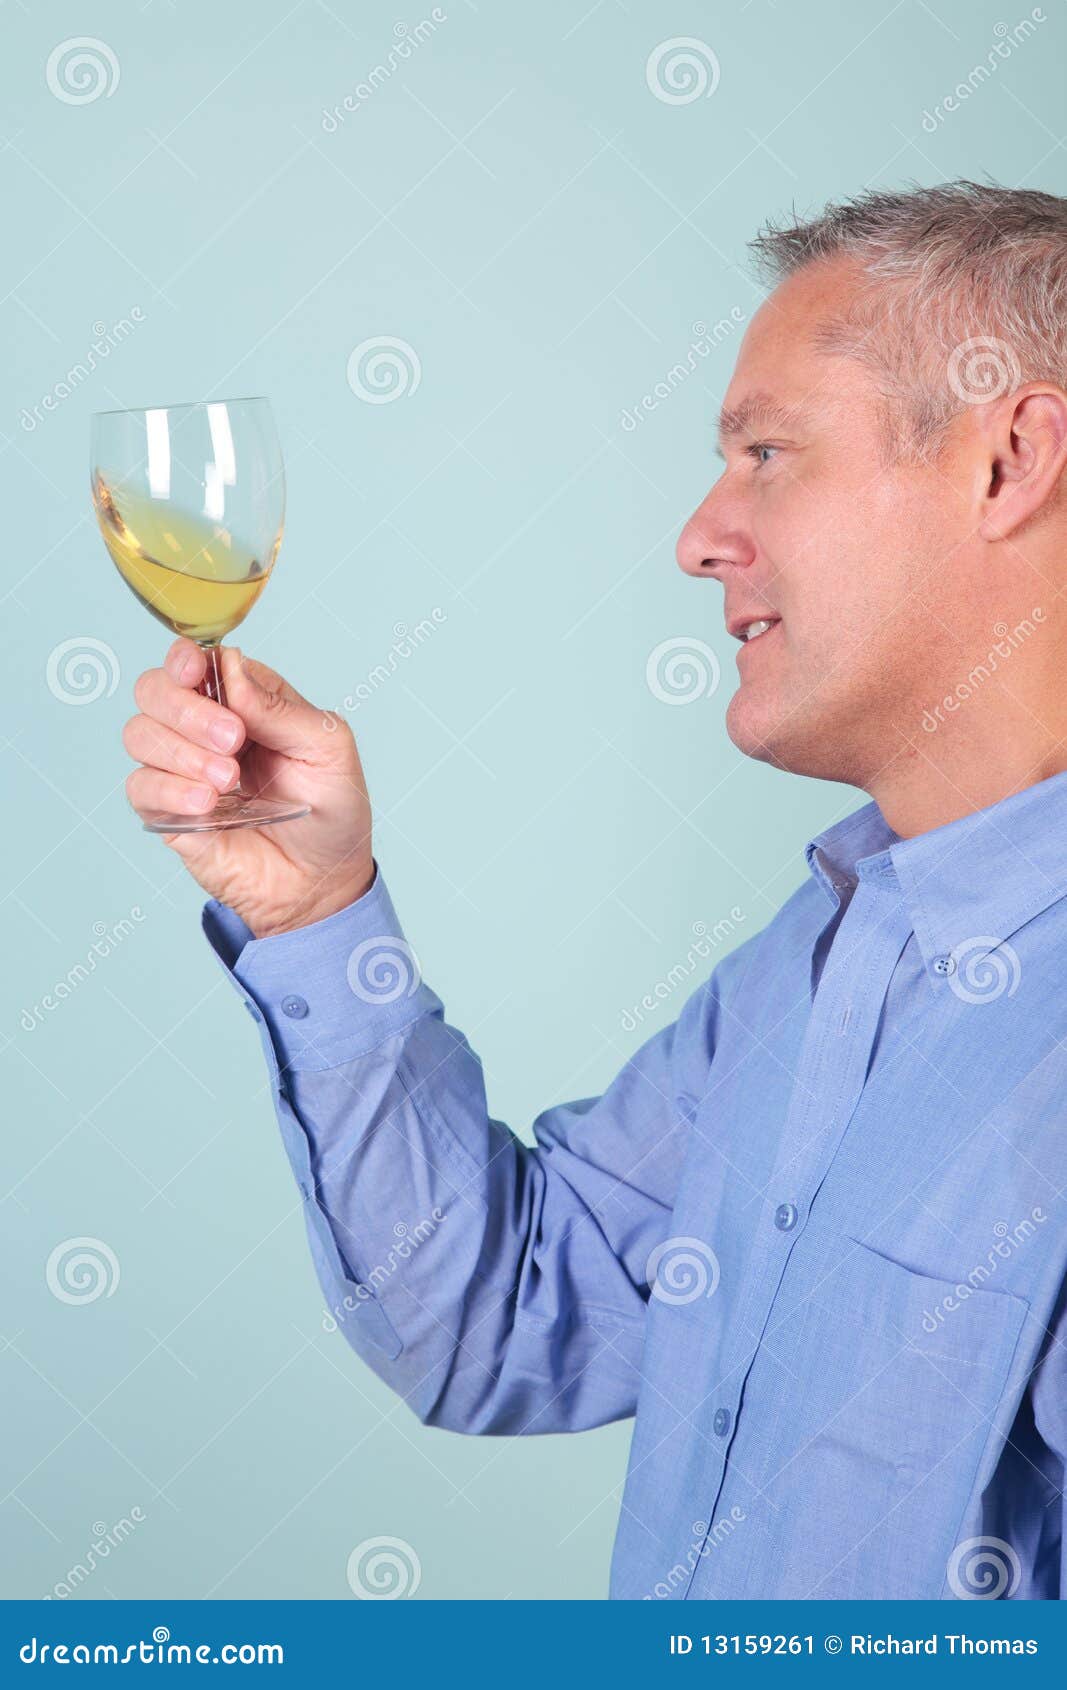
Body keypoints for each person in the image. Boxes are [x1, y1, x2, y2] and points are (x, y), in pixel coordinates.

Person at [122, 182, 1067, 1602]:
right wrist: (315, 911)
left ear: (1008, 460)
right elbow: (499, 1312)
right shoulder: (813, 959)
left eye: (767, 452)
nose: (699, 535)